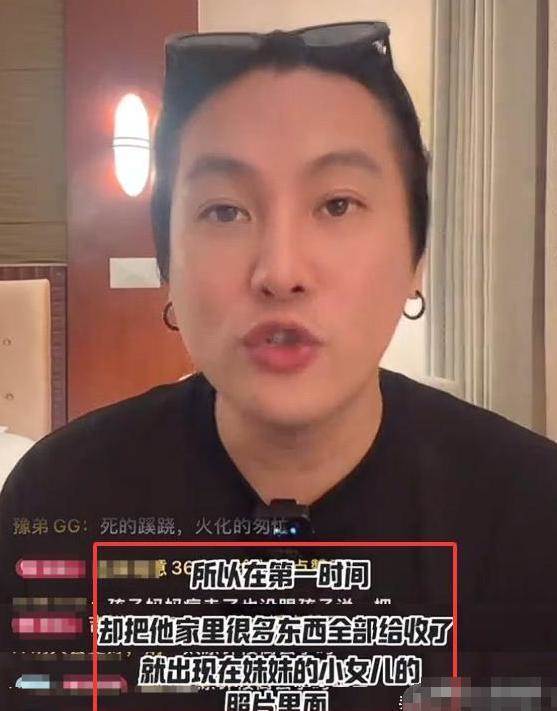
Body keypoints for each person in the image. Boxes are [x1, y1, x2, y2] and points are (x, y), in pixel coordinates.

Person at [1, 21, 556, 709]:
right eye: (224, 211)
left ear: (416, 258)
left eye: (337, 204)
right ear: (169, 265)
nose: (280, 270)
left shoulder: (531, 514)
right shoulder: (60, 501)